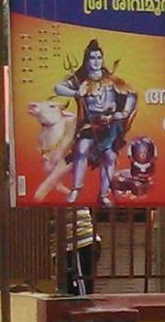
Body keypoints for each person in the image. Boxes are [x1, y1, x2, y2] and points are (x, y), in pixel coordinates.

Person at [53, 40, 137, 207]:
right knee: (81, 148)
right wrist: (77, 92)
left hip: (109, 124)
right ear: (87, 60)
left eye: (99, 57)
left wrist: (123, 113)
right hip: (89, 124)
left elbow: (131, 94)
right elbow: (58, 88)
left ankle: (104, 194)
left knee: (110, 156)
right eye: (93, 58)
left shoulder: (111, 80)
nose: (96, 61)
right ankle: (76, 189)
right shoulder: (80, 80)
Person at [60, 208, 98, 296]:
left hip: (80, 243)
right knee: (71, 288)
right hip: (68, 245)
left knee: (81, 290)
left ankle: (85, 306)